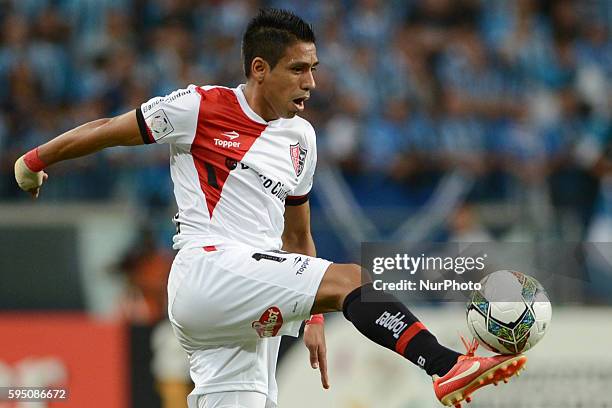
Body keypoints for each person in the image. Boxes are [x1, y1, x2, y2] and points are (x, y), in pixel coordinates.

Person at [14, 8, 526, 408]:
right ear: (260, 69)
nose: (311, 83)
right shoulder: (199, 107)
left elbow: (298, 238)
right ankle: (445, 365)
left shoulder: (301, 138)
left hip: (250, 296)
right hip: (207, 270)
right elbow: (106, 130)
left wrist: (314, 320)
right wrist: (35, 159)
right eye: (298, 69)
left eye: (315, 69)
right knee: (351, 278)